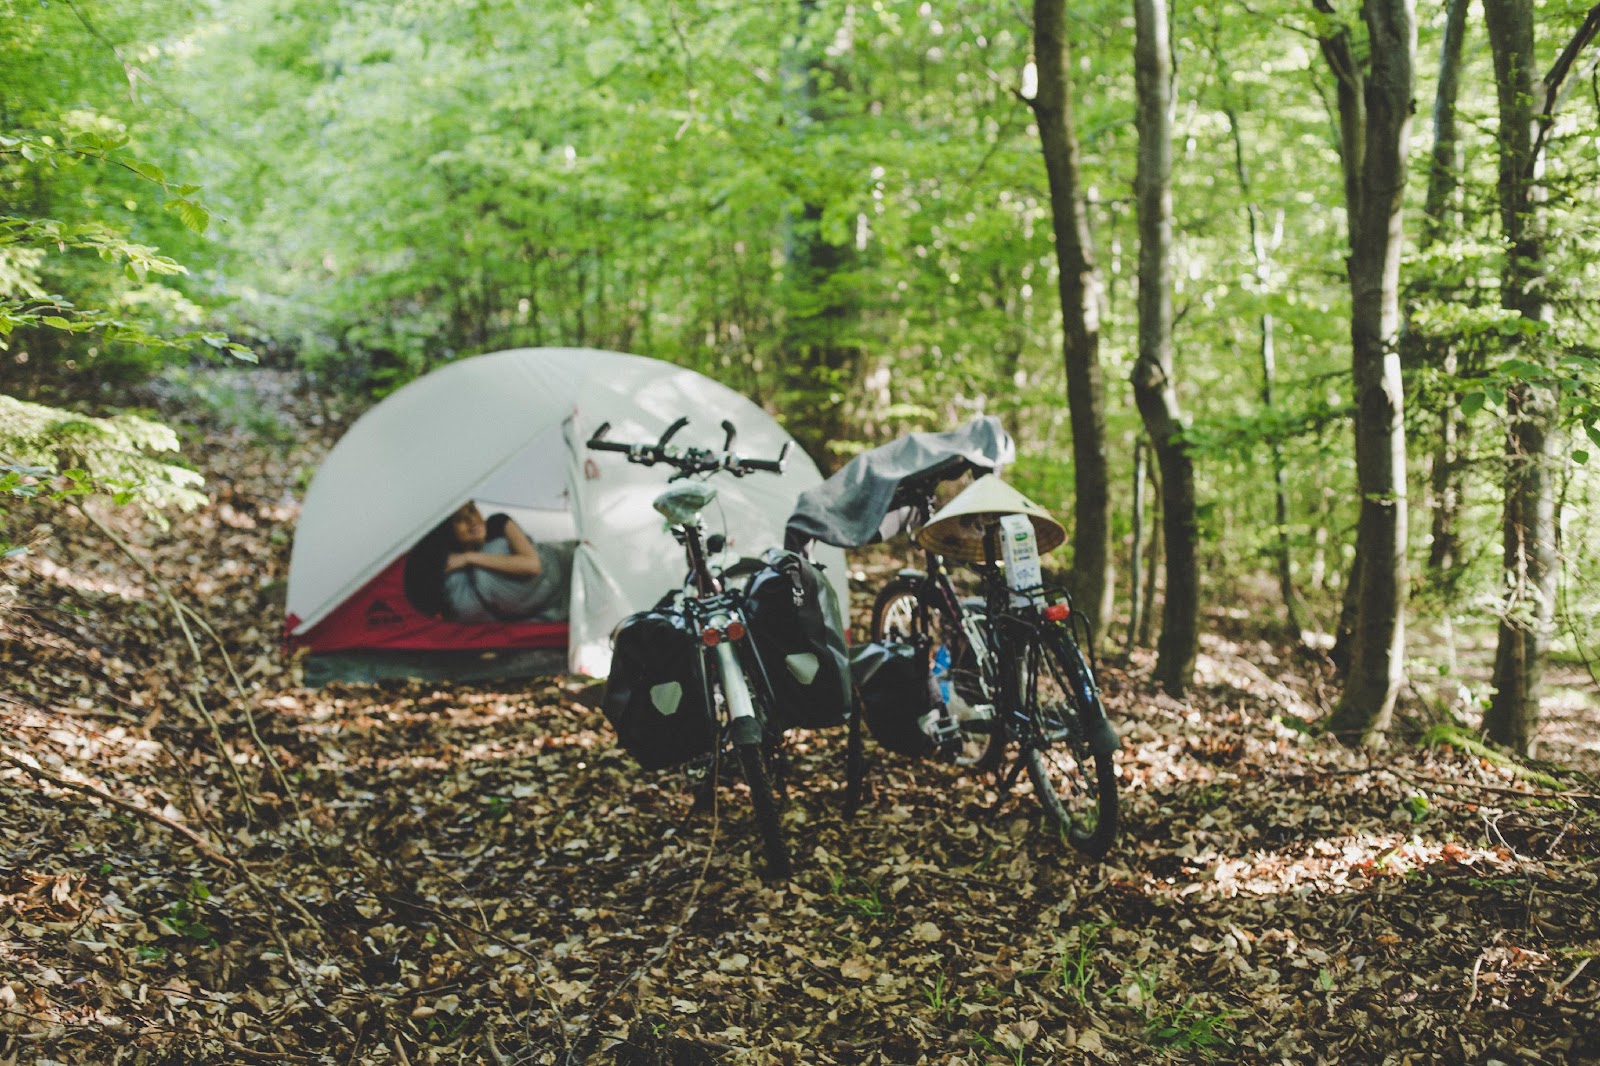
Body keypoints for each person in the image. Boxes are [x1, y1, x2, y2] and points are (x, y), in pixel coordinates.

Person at [405, 502, 575, 623]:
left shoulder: (498, 523)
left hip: (568, 562)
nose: (472, 520)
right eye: (459, 520)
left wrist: (469, 558)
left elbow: (532, 565)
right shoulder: (449, 567)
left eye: (472, 510)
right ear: (449, 530)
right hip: (555, 606)